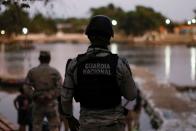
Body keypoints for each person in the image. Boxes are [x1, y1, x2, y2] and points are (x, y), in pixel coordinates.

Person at [61, 15, 137, 131]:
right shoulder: (119, 64)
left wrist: (69, 117)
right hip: (114, 125)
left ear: (89, 36)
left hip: (87, 126)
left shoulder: (75, 64)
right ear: (109, 37)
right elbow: (131, 95)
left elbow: (66, 98)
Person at [23, 51, 62, 131]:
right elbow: (60, 88)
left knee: (37, 126)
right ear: (49, 59)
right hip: (51, 104)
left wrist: (34, 96)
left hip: (37, 103)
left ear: (39, 59)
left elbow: (26, 86)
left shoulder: (32, 71)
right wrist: (51, 95)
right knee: (54, 126)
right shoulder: (54, 72)